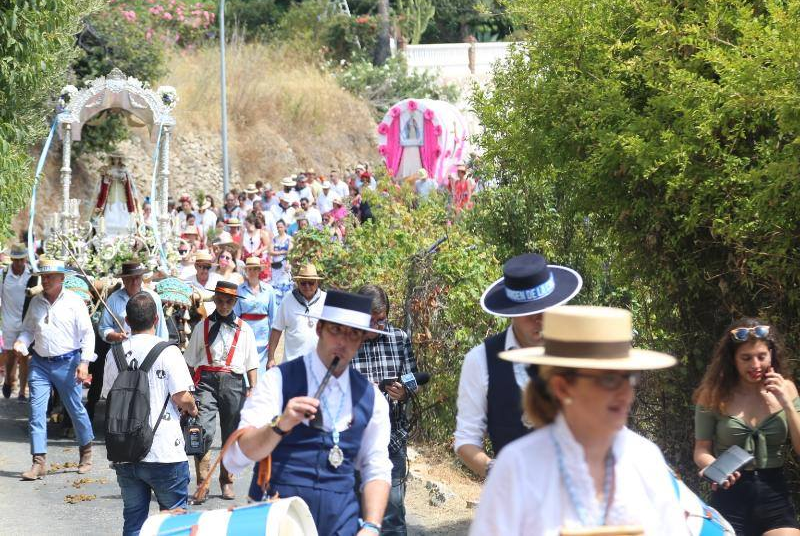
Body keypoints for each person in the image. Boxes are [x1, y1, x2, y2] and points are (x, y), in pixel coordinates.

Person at [470, 305, 687, 534]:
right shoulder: (518, 467)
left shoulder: (645, 459)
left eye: (630, 376)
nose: (626, 393)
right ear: (563, 388)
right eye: (609, 379)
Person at [223, 289, 392, 536]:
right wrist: (280, 425)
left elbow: (376, 466)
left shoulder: (371, 398)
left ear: (362, 340)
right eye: (336, 330)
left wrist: (371, 525)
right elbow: (234, 459)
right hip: (279, 523)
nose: (343, 342)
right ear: (319, 329)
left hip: (341, 524)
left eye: (354, 334)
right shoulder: (278, 381)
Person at [455, 253, 582, 477]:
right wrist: (498, 471)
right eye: (529, 314)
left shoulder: (580, 351)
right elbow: (466, 441)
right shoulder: (481, 359)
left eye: (546, 309)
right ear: (511, 314)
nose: (540, 319)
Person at [103, 292, 198, 536]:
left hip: (125, 450)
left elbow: (107, 395)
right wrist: (193, 407)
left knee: (134, 522)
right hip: (164, 451)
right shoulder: (168, 351)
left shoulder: (113, 354)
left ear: (127, 320)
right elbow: (181, 396)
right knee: (175, 522)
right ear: (156, 319)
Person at [693, 319, 800, 535]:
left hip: (774, 493)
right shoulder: (713, 395)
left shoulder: (787, 388)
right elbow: (701, 450)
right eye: (746, 358)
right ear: (732, 360)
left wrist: (787, 404)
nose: (755, 365)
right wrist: (715, 468)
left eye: (762, 356)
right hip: (730, 492)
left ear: (772, 354)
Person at [14, 258, 95, 480]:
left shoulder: (74, 302)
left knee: (75, 408)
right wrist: (22, 341)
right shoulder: (36, 302)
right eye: (43, 276)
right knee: (36, 410)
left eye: (50, 276)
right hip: (40, 363)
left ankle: (86, 452)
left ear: (62, 278)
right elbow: (28, 330)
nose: (45, 280)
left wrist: (84, 362)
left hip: (68, 362)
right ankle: (38, 462)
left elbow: (88, 334)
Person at [183, 281, 259, 501]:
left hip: (234, 382)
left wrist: (253, 388)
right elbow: (189, 361)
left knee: (231, 432)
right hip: (206, 380)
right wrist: (187, 388)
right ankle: (202, 483)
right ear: (214, 300)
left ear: (235, 302)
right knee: (202, 429)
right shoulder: (203, 327)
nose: (224, 305)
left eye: (229, 301)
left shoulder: (245, 329)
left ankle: (227, 480)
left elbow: (252, 363)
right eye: (220, 300)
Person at [351, 285, 416, 535]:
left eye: (382, 320)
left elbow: (412, 377)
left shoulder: (399, 338)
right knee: (357, 508)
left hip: (393, 437)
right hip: (355, 439)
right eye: (371, 321)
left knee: (393, 510)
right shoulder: (348, 340)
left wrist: (406, 390)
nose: (377, 326)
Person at [267, 264, 326, 367]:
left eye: (311, 283)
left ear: (317, 283)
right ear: (298, 283)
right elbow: (277, 330)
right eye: (303, 283)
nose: (307, 286)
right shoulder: (287, 300)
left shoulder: (326, 300)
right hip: (292, 365)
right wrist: (271, 358)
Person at [100, 261, 168, 344]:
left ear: (141, 278)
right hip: (123, 350)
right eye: (130, 278)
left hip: (150, 350)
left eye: (137, 278)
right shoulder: (113, 300)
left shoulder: (154, 298)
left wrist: (162, 348)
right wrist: (116, 336)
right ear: (123, 280)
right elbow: (104, 327)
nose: (134, 282)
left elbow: (161, 329)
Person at [235, 257, 277, 374]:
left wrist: (272, 339)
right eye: (249, 269)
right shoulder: (239, 289)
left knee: (261, 370)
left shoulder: (269, 290)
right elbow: (236, 315)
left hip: (263, 335)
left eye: (255, 269)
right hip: (245, 332)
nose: (252, 272)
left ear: (259, 271)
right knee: (244, 365)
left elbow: (274, 317)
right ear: (246, 271)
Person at [1, 244, 31, 400]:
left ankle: (22, 391)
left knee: (25, 356)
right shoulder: (3, 274)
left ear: (25, 258)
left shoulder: (31, 275)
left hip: (26, 322)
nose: (19, 263)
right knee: (11, 355)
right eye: (16, 260)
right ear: (12, 259)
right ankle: (8, 381)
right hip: (9, 323)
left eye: (22, 260)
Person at [269, 219, 293, 305]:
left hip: (285, 264)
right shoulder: (274, 239)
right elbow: (271, 251)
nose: (279, 229)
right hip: (276, 265)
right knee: (275, 285)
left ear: (285, 227)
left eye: (281, 227)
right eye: (278, 227)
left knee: (285, 284)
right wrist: (283, 252)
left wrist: (288, 263)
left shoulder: (289, 238)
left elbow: (290, 253)